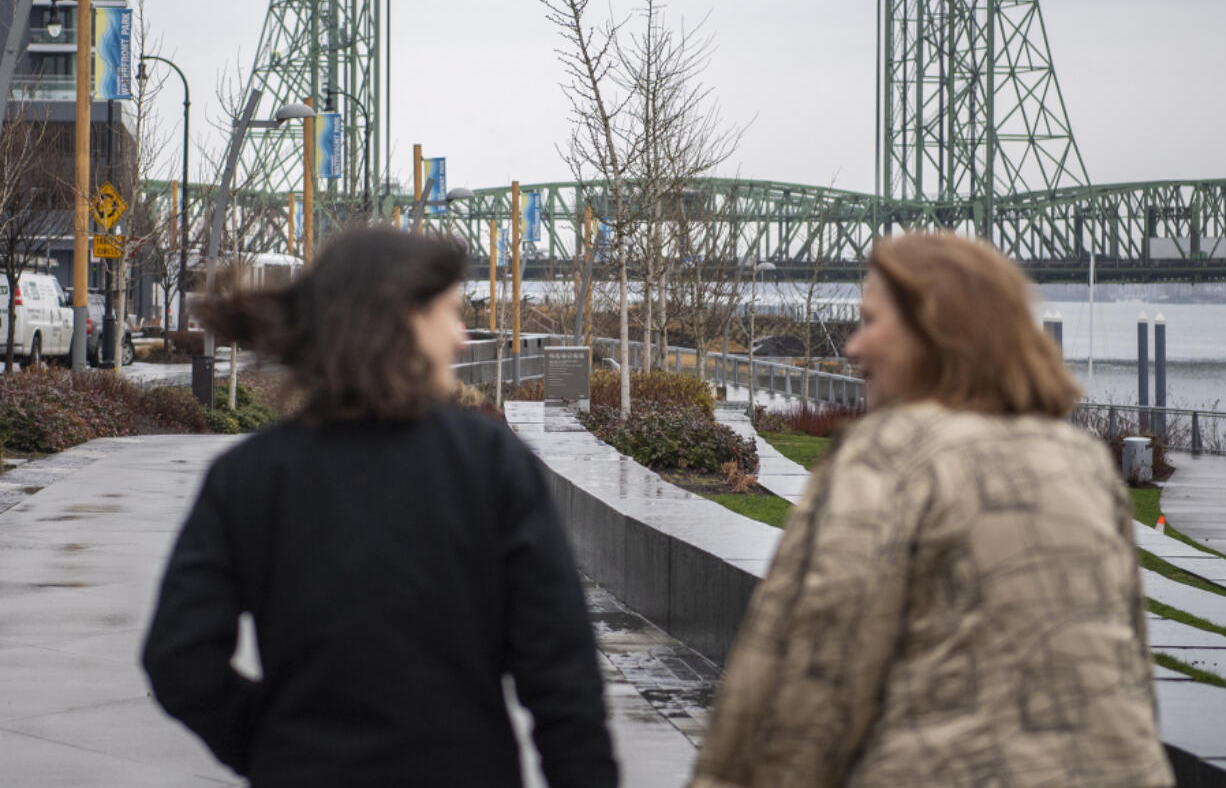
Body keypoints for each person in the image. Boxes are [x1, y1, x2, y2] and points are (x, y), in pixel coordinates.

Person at [690, 231, 1173, 788]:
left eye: (871, 322)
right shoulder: (1084, 464)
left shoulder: (887, 459)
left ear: (936, 332)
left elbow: (805, 693)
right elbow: (1131, 671)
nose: (853, 348)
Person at [143, 226, 617, 788]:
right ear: (400, 324)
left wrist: (273, 744)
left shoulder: (248, 477)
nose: (461, 338)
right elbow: (563, 678)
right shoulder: (491, 465)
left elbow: (178, 657)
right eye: (448, 313)